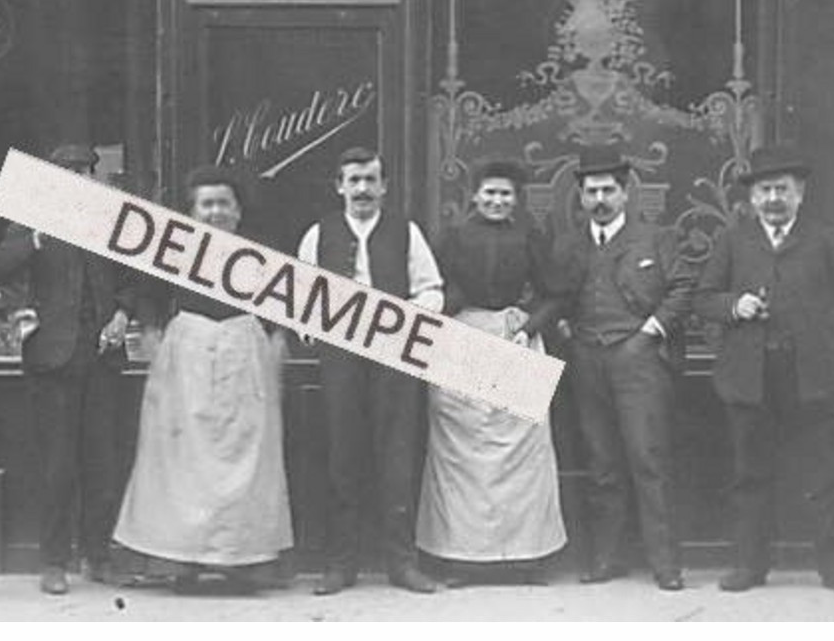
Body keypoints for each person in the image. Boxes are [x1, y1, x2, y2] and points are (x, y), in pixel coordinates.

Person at [694, 145, 834, 597]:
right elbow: (703, 298)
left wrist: (822, 338)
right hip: (749, 378)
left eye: (783, 190)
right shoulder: (732, 240)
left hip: (811, 378)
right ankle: (750, 568)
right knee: (749, 474)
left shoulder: (824, 239)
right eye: (765, 190)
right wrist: (735, 306)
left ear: (800, 194)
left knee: (824, 474)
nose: (774, 198)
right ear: (751, 198)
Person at [113, 166, 293, 592]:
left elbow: (285, 307)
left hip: (244, 346)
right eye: (206, 204)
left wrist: (277, 347)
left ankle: (240, 560)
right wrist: (157, 350)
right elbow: (150, 300)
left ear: (238, 210)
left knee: (245, 455)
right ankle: (184, 558)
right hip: (188, 350)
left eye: (224, 204)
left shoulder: (260, 251)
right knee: (183, 460)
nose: (215, 212)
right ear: (191, 211)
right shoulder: (172, 249)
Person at [0, 143, 135, 596]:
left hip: (102, 357)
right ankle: (53, 561)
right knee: (57, 465)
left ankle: (97, 556)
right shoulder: (30, 221)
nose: (77, 179)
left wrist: (123, 315)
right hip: (52, 359)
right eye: (67, 172)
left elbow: (130, 283)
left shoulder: (113, 224)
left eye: (85, 172)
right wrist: (34, 239)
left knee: (102, 463)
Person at [297, 147, 444, 595]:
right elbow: (302, 295)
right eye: (354, 180)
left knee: (397, 456)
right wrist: (311, 328)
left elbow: (431, 290)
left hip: (393, 356)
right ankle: (341, 565)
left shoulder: (406, 232)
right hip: (341, 357)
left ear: (384, 186)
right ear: (339, 185)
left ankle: (401, 563)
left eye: (370, 180)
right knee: (343, 455)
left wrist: (405, 322)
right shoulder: (318, 234)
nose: (362, 189)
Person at [417, 158, 567, 586]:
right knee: (460, 453)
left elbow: (556, 295)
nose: (497, 201)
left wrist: (529, 326)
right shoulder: (453, 237)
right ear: (475, 196)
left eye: (505, 194)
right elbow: (434, 288)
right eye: (490, 193)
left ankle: (527, 556)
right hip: (462, 338)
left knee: (522, 455)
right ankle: (460, 558)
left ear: (515, 200)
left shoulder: (530, 238)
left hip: (514, 337)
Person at [551, 144, 694, 592]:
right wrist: (565, 331)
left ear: (625, 192)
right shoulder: (568, 242)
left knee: (648, 459)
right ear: (579, 194)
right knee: (602, 463)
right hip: (587, 361)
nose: (599, 199)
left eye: (608, 190)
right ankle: (606, 559)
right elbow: (555, 292)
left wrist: (650, 332)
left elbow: (683, 288)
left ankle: (665, 564)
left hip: (639, 363)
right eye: (591, 191)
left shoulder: (655, 238)